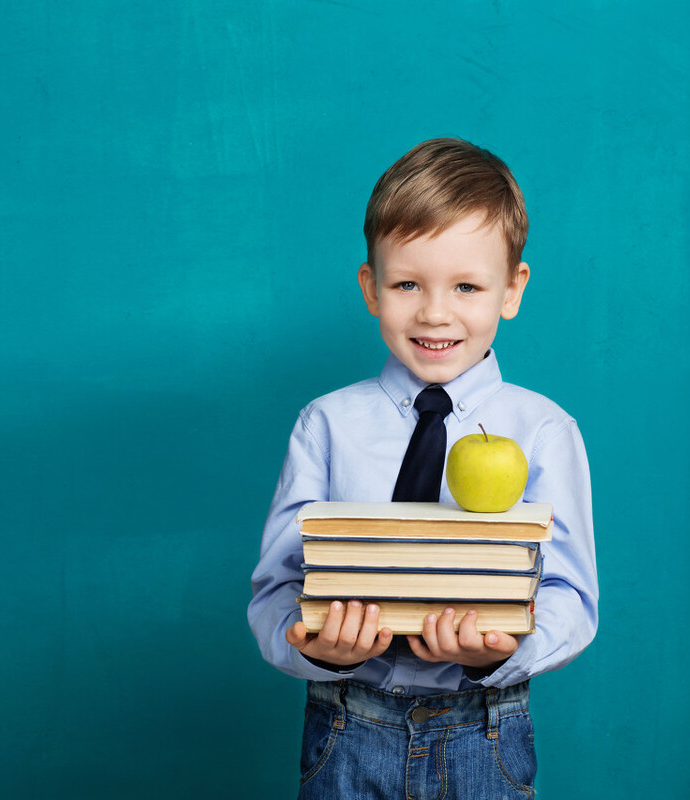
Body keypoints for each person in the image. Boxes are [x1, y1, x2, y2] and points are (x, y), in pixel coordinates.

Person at [248, 137, 598, 799]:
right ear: (371, 288)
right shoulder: (325, 425)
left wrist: (500, 652)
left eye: (466, 285)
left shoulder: (544, 430)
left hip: (484, 731)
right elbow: (275, 591)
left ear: (511, 289)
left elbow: (571, 599)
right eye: (407, 283)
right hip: (349, 721)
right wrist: (316, 647)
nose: (436, 312)